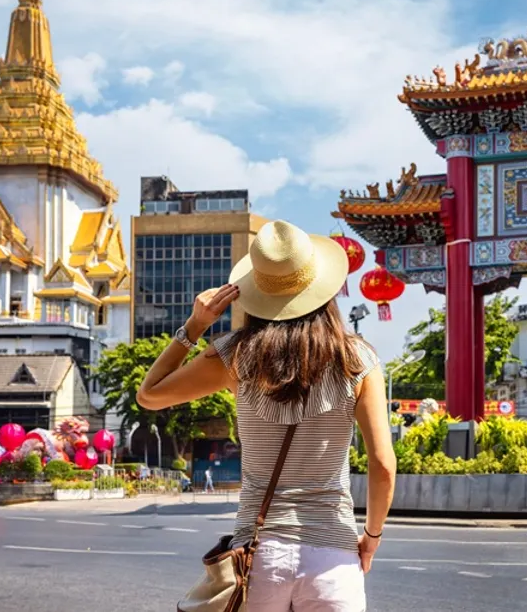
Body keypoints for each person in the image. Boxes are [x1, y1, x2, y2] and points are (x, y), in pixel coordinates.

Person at [138, 220, 396, 611]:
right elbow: (382, 465)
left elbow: (150, 395)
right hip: (333, 554)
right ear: (322, 289)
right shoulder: (358, 359)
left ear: (256, 293)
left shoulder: (235, 356)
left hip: (260, 557)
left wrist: (195, 326)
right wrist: (371, 539)